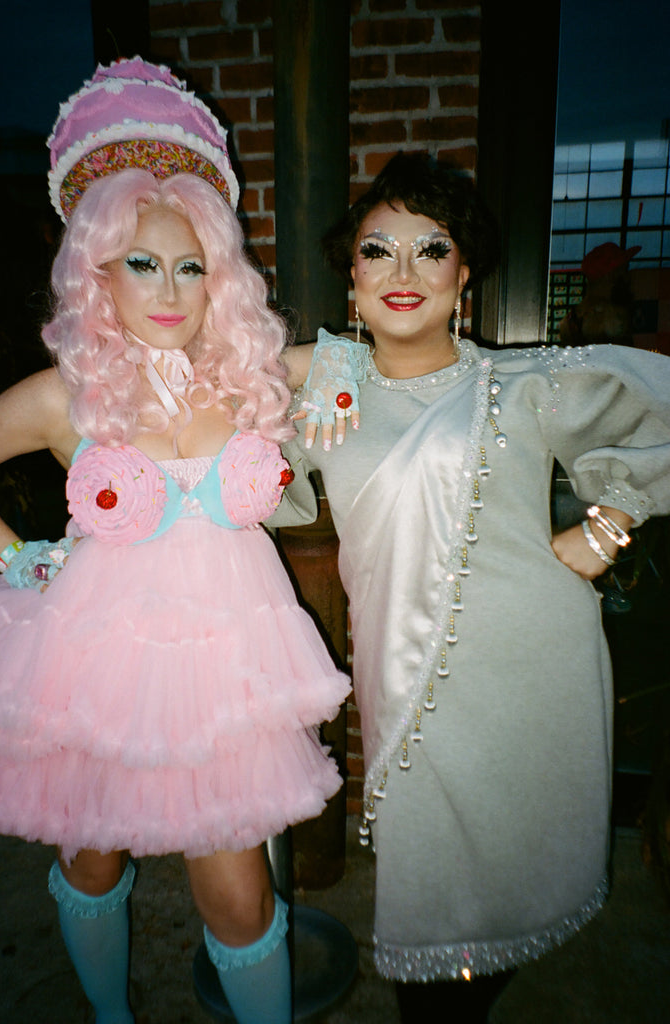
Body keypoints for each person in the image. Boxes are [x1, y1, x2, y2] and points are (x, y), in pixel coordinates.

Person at [0, 57, 351, 1024]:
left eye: (191, 265)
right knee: (93, 855)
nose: (169, 287)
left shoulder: (248, 378)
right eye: (142, 262)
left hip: (223, 675)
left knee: (237, 896)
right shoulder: (67, 396)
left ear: (218, 279)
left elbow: (376, 375)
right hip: (97, 664)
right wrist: (13, 554)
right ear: (95, 272)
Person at [274, 152, 670, 1022]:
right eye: (379, 251)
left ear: (464, 272)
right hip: (404, 674)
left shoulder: (524, 385)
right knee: (431, 896)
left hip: (531, 663)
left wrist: (606, 528)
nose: (404, 272)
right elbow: (208, 425)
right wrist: (311, 359)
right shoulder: (324, 393)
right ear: (352, 271)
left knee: (499, 878)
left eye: (432, 247)